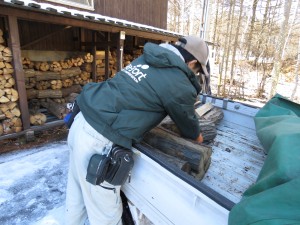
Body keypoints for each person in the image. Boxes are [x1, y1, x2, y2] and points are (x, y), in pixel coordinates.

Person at [65, 35, 210, 225]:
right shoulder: (179, 80)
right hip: (99, 140)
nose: (195, 74)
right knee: (106, 216)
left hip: (81, 122)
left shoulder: (148, 58)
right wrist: (199, 138)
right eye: (197, 70)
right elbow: (189, 126)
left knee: (76, 200)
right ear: (192, 62)